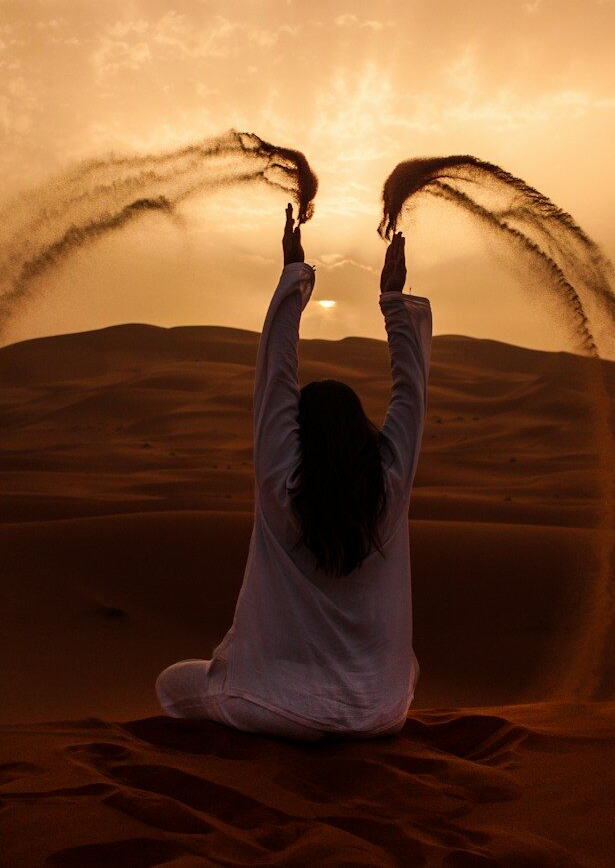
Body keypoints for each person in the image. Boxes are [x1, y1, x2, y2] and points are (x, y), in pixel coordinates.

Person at [154, 204, 433, 741]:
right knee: (408, 668)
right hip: (381, 712)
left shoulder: (281, 485)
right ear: (363, 434)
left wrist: (293, 275)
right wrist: (394, 300)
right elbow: (411, 394)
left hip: (274, 707)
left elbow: (276, 377)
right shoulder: (389, 489)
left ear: (298, 434)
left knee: (173, 684)